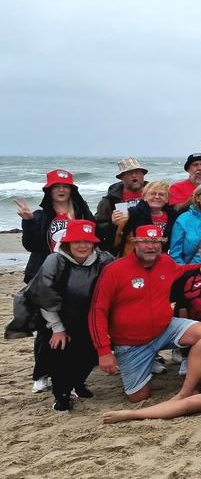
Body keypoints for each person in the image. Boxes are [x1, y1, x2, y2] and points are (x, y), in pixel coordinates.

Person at [89, 225, 201, 401]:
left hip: (165, 330)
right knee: (138, 397)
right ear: (135, 243)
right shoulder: (114, 270)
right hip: (131, 343)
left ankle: (191, 375)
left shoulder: (166, 262)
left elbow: (183, 270)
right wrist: (103, 352)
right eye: (145, 241)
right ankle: (144, 365)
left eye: (156, 242)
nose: (151, 246)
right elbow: (97, 312)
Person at [16, 169, 94, 393]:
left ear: (71, 189)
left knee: (74, 327)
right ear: (49, 190)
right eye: (56, 186)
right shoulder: (41, 215)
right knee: (46, 328)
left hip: (76, 277)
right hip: (46, 277)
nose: (61, 190)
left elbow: (93, 240)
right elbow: (30, 246)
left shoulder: (81, 213)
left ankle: (70, 374)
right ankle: (41, 373)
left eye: (65, 186)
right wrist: (29, 222)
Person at [25, 220, 115, 410]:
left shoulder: (105, 259)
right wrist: (57, 329)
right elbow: (43, 295)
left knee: (89, 355)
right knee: (61, 353)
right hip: (56, 316)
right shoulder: (54, 260)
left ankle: (78, 383)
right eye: (77, 241)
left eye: (87, 241)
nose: (82, 246)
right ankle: (62, 395)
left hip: (90, 317)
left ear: (94, 243)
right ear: (67, 243)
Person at [94, 157, 149, 254]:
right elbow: (98, 228)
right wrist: (112, 223)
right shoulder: (109, 201)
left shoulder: (154, 195)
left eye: (138, 172)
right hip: (121, 250)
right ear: (121, 177)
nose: (134, 175)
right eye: (129, 173)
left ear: (143, 175)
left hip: (150, 246)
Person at [118, 181, 180, 256]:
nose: (157, 197)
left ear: (167, 199)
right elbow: (117, 239)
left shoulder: (174, 216)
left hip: (163, 257)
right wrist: (118, 223)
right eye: (152, 194)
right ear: (144, 197)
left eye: (161, 194)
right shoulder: (132, 214)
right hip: (137, 257)